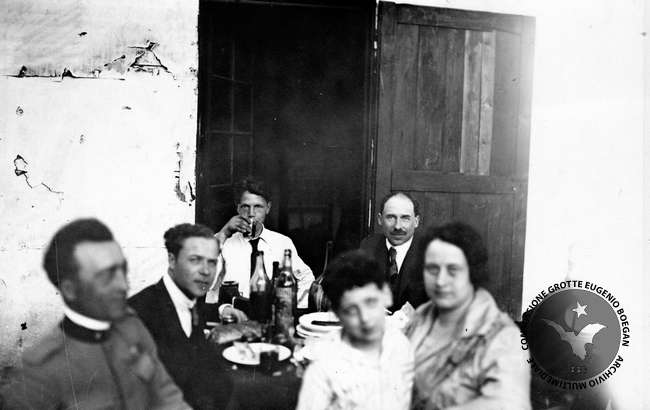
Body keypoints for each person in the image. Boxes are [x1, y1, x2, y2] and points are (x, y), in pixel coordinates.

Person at [0, 219, 190, 410]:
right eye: (106, 276)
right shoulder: (43, 370)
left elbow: (167, 395)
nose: (123, 285)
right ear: (70, 289)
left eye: (122, 270)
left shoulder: (131, 327)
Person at [406, 222, 530, 410]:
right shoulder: (420, 318)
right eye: (432, 269)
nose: (440, 281)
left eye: (453, 270)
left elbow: (510, 405)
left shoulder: (503, 336)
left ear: (472, 272)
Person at [129, 223, 232, 409]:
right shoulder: (138, 314)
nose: (206, 271)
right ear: (172, 260)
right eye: (195, 260)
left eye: (212, 262)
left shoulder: (188, 298)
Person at [296, 250, 414, 410]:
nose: (364, 318)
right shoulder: (323, 363)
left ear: (386, 296)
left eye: (370, 302)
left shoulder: (400, 345)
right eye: (351, 310)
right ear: (337, 314)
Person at [213, 176, 314, 315]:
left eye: (258, 207)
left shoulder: (282, 242)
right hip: (233, 315)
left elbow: (306, 277)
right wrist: (224, 233)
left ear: (268, 208)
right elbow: (207, 282)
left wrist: (294, 309)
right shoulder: (223, 240)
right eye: (245, 207)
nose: (251, 214)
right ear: (238, 208)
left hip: (269, 315)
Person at [360, 192, 428, 312]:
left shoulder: (429, 252)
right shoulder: (368, 246)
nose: (397, 226)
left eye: (405, 218)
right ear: (380, 219)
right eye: (391, 217)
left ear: (416, 221)